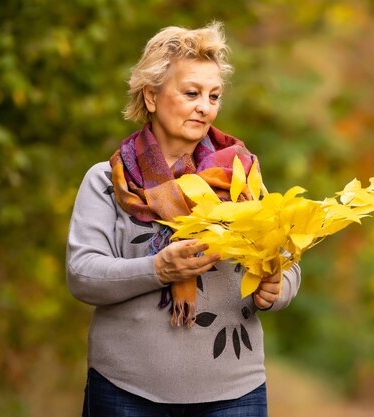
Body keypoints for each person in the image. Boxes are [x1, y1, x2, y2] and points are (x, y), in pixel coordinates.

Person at [66, 21, 301, 417]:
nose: (205, 106)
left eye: (214, 95)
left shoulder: (241, 176)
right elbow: (82, 274)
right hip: (126, 391)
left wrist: (278, 288)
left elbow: (286, 263)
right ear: (152, 96)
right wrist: (158, 269)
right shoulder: (107, 181)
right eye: (192, 93)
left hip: (234, 394)